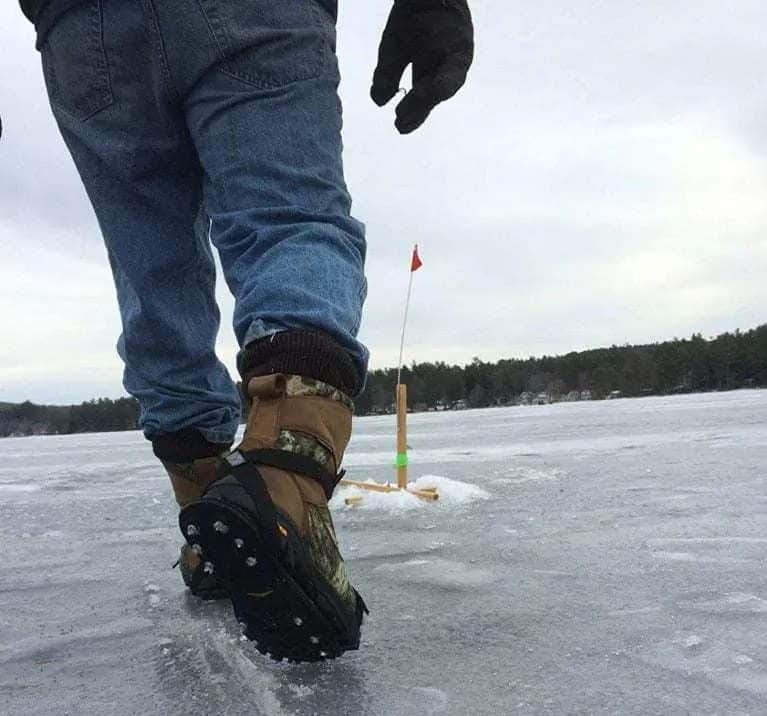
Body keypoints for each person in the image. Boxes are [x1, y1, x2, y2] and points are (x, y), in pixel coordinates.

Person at [19, 0, 474, 662]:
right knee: (287, 217)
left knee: (153, 272)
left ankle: (212, 517)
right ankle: (283, 478)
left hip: (84, 27)